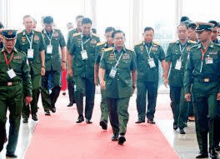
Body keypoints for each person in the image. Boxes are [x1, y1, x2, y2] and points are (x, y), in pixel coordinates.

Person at [184, 22, 220, 159]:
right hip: (198, 87)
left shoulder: (217, 49)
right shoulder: (193, 50)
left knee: (213, 116)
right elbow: (188, 71)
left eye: (201, 32)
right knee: (200, 119)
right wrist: (187, 90)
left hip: (213, 87)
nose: (198, 35)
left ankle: (213, 148)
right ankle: (203, 150)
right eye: (197, 32)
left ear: (210, 33)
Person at [99, 30, 137, 145]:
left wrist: (134, 84)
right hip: (111, 86)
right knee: (112, 111)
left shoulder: (131, 53)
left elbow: (134, 70)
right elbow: (102, 68)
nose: (119, 40)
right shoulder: (106, 53)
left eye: (121, 38)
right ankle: (115, 132)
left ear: (124, 39)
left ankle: (122, 133)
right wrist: (101, 80)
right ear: (113, 40)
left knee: (123, 110)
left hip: (125, 86)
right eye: (117, 38)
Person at [0, 29, 32, 158]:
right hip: (0, 91)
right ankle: (1, 138)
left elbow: (27, 76)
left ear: (15, 40)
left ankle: (11, 150)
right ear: (2, 40)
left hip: (17, 92)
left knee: (15, 120)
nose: (10, 43)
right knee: (0, 119)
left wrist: (28, 94)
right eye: (7, 40)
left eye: (12, 40)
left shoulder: (22, 56)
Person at [164, 23, 196, 134]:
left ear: (187, 32)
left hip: (187, 79)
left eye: (184, 31)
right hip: (174, 77)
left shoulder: (193, 45)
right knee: (174, 102)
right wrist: (165, 76)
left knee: (184, 102)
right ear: (177, 32)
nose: (181, 33)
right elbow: (167, 62)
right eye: (179, 31)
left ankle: (182, 123)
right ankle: (175, 120)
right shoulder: (172, 45)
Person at [67, 18, 100, 124]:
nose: (86, 30)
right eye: (84, 27)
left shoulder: (96, 38)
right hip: (79, 70)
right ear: (80, 27)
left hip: (91, 70)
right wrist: (70, 68)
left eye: (88, 28)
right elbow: (70, 53)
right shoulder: (75, 38)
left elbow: (99, 57)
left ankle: (88, 116)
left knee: (91, 94)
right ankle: (80, 114)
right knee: (79, 91)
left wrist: (98, 73)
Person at [15, 15, 46, 123]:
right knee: (24, 89)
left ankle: (34, 111)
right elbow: (16, 53)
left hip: (36, 66)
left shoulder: (38, 35)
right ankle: (24, 113)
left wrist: (43, 66)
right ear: (23, 24)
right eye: (26, 22)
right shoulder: (19, 36)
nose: (29, 24)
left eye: (30, 22)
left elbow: (42, 50)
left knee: (36, 88)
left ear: (33, 23)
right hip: (23, 67)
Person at [135, 27, 166, 124]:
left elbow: (163, 60)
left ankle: (150, 116)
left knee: (152, 97)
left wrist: (165, 73)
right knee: (140, 97)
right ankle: (140, 117)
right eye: (147, 35)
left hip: (153, 76)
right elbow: (133, 63)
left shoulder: (158, 47)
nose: (149, 37)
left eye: (151, 35)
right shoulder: (137, 47)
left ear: (153, 36)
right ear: (143, 35)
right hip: (141, 77)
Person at [41, 16, 66, 115]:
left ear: (52, 24)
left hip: (56, 63)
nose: (48, 27)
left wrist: (63, 61)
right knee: (44, 86)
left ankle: (52, 102)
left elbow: (63, 46)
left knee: (57, 85)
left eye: (50, 25)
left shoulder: (58, 33)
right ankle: (46, 108)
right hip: (44, 63)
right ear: (44, 25)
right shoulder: (40, 34)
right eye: (46, 25)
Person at [95, 27, 115, 130]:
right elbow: (96, 63)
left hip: (117, 78)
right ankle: (104, 119)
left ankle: (115, 120)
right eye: (107, 36)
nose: (109, 39)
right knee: (104, 98)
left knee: (114, 100)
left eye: (111, 36)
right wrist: (96, 77)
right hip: (104, 77)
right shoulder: (100, 47)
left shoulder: (120, 46)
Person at [66, 15, 84, 107]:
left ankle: (79, 98)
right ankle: (71, 99)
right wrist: (68, 64)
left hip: (83, 61)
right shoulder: (71, 33)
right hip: (72, 59)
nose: (79, 23)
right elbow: (68, 48)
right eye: (78, 21)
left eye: (81, 21)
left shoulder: (88, 32)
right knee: (70, 79)